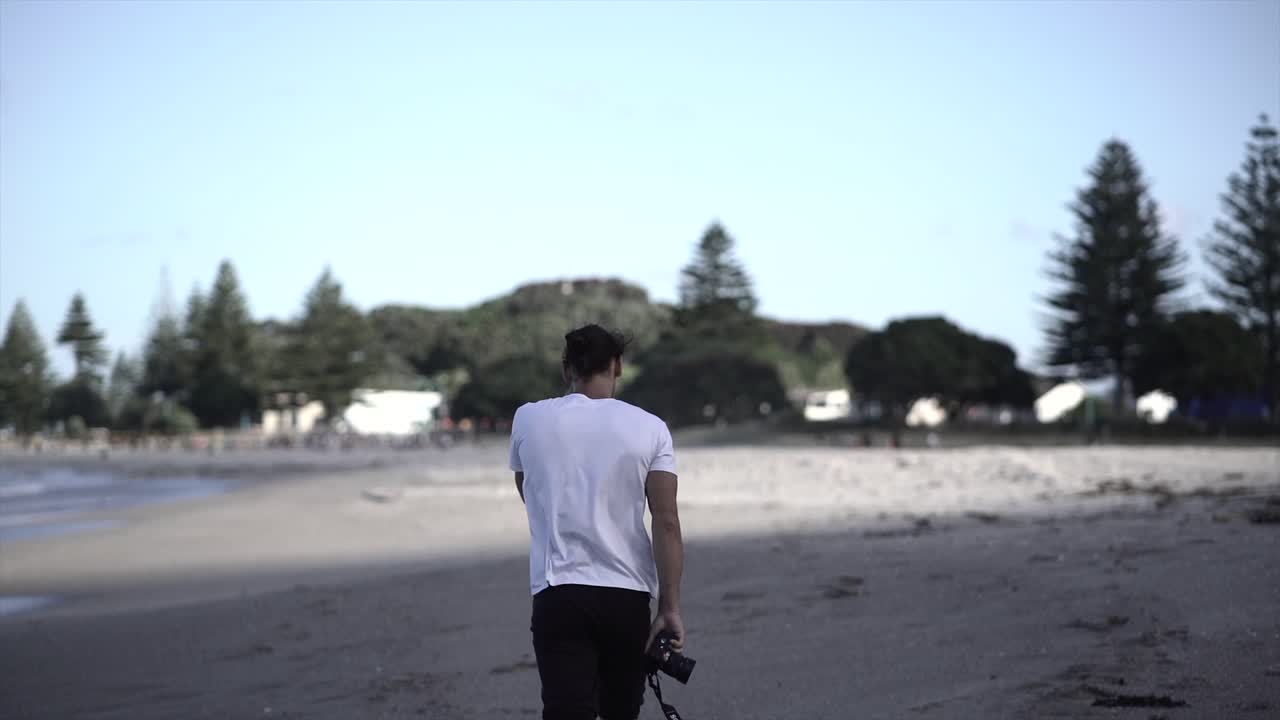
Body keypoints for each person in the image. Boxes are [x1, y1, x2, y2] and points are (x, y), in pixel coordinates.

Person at [509, 324, 686, 720]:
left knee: (565, 711)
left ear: (566, 369)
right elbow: (667, 521)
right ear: (617, 366)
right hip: (626, 598)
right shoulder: (651, 427)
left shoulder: (528, 419)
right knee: (620, 712)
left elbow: (530, 493)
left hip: (559, 593)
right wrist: (670, 607)